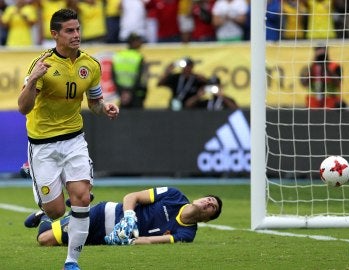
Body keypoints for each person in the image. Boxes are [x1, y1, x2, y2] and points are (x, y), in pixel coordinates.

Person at [17, 8, 119, 270]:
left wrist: (104, 108)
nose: (76, 35)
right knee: (56, 212)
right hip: (43, 144)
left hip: (74, 139)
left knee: (82, 199)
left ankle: (71, 262)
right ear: (55, 34)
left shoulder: (91, 65)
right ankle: (39, 189)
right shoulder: (42, 65)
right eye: (69, 31)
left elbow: (94, 103)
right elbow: (23, 107)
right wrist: (33, 81)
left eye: (78, 29)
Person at [24, 187, 223, 246]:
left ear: (206, 219)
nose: (208, 203)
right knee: (45, 240)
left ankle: (73, 210)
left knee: (54, 240)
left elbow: (152, 240)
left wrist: (128, 241)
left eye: (211, 207)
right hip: (105, 215)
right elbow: (132, 196)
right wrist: (129, 216)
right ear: (200, 198)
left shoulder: (187, 233)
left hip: (110, 238)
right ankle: (45, 217)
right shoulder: (174, 195)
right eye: (208, 199)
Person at [112, 32, 148, 108]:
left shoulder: (118, 55)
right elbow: (141, 78)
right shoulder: (138, 57)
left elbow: (113, 76)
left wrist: (121, 92)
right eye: (139, 41)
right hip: (136, 94)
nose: (141, 43)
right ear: (133, 42)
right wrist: (130, 92)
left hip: (122, 95)